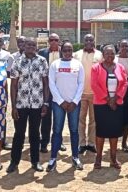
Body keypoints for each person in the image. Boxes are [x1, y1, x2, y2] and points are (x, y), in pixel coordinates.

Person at [7, 38, 50, 173]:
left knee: (35, 133)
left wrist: (46, 103)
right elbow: (13, 86)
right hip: (21, 104)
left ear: (36, 47)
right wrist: (13, 107)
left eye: (33, 45)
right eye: (28, 44)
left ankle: (35, 161)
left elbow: (46, 83)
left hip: (37, 104)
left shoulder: (42, 61)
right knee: (19, 133)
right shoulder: (17, 62)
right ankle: (14, 162)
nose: (31, 46)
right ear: (24, 46)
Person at [47, 41, 85, 171]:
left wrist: (75, 101)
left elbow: (81, 84)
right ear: (61, 51)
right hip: (58, 104)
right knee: (57, 130)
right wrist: (60, 101)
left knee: (74, 130)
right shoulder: (55, 64)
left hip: (74, 104)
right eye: (65, 50)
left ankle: (75, 157)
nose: (67, 53)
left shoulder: (78, 64)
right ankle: (53, 158)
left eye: (70, 50)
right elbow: (51, 83)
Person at [91, 45, 128, 169]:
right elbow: (94, 85)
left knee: (114, 132)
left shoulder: (120, 67)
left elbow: (124, 83)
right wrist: (108, 99)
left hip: (117, 104)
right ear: (103, 55)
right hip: (101, 104)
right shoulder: (96, 68)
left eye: (112, 53)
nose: (110, 56)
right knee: (101, 131)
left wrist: (116, 98)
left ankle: (113, 158)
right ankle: (98, 158)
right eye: (107, 53)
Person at [75, 34, 103, 154]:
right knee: (80, 119)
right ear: (83, 41)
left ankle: (91, 143)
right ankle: (81, 144)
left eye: (91, 40)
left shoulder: (100, 55)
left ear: (94, 41)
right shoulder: (76, 54)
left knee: (93, 120)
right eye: (86, 40)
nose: (88, 42)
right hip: (80, 93)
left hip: (95, 94)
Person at [39, 33, 67, 153]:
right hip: (46, 90)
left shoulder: (64, 53)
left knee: (59, 118)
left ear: (59, 41)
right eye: (51, 40)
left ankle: (58, 142)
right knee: (45, 118)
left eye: (56, 40)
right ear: (48, 41)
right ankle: (44, 142)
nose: (54, 42)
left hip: (60, 90)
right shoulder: (42, 53)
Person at [0, 33, 14, 150]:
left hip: (1, 90)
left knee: (2, 117)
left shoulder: (7, 56)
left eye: (0, 41)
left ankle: (2, 141)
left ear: (3, 43)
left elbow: (9, 73)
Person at [116, 39, 128, 152]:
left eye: (126, 46)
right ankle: (113, 142)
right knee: (115, 118)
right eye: (122, 46)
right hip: (116, 91)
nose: (124, 48)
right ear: (118, 47)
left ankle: (124, 143)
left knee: (127, 119)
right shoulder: (114, 59)